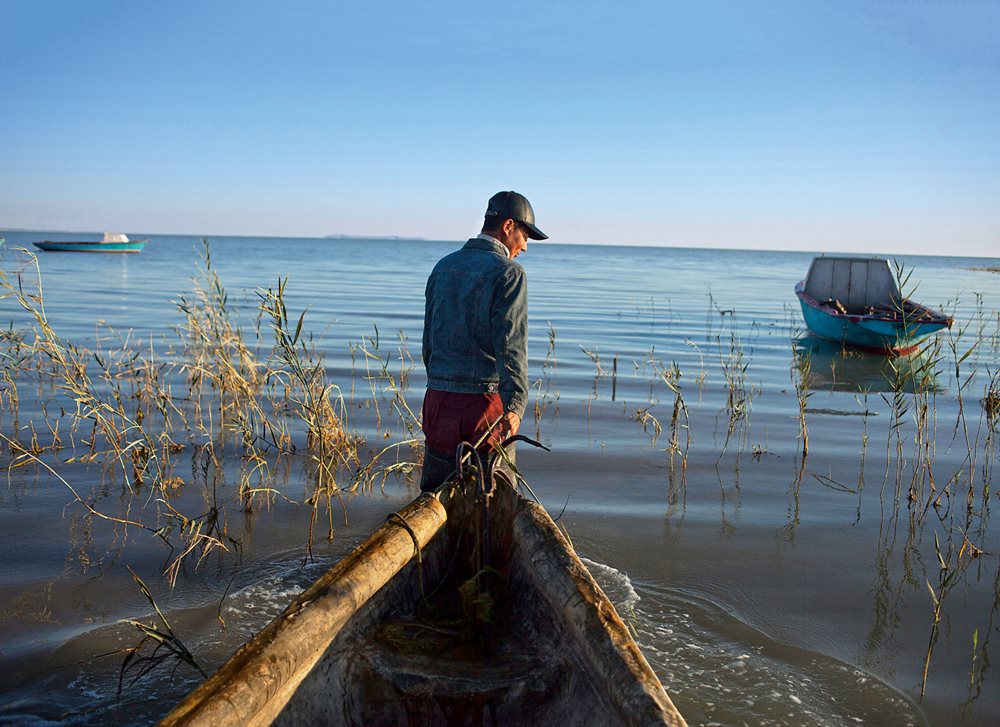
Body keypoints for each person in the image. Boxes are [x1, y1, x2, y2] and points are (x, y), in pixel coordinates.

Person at [420, 191, 547, 491]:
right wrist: (515, 406)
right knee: (496, 499)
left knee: (434, 497)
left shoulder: (442, 267)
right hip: (483, 410)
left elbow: (429, 345)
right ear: (507, 227)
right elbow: (511, 349)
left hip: (438, 404)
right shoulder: (509, 273)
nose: (525, 247)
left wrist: (441, 384)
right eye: (525, 235)